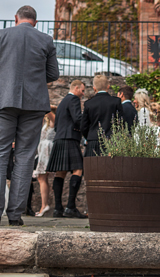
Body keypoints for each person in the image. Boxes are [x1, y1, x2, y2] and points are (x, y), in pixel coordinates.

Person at [0, 5, 60, 226]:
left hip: (3, 101)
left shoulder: (1, 35)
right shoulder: (46, 40)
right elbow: (53, 74)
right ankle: (15, 215)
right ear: (36, 22)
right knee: (24, 157)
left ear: (16, 18)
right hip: (34, 105)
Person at [46, 79, 87, 218]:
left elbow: (57, 123)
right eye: (82, 90)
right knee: (78, 169)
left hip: (60, 138)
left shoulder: (63, 102)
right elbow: (77, 119)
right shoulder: (74, 99)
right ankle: (70, 207)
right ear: (76, 88)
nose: (83, 93)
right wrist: (86, 126)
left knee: (60, 172)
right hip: (69, 138)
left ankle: (58, 208)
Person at [80, 74, 122, 156]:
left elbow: (83, 126)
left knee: (92, 167)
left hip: (93, 140)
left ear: (94, 88)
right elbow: (120, 122)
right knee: (110, 168)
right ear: (108, 86)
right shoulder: (116, 101)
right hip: (111, 140)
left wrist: (88, 136)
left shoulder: (88, 103)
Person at [32, 109, 56, 216]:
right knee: (42, 178)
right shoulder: (45, 124)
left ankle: (44, 205)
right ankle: (44, 205)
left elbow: (52, 117)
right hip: (42, 151)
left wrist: (46, 106)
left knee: (42, 177)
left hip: (46, 151)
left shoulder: (52, 121)